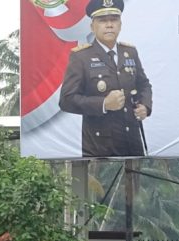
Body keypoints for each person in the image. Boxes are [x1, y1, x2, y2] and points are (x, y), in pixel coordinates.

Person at [58, 0, 152, 158]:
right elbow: (66, 100)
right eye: (103, 21)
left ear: (120, 24)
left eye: (114, 20)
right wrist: (103, 104)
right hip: (99, 148)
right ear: (92, 27)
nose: (109, 25)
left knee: (135, 183)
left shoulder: (130, 52)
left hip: (133, 143)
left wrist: (145, 106)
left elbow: (144, 85)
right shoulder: (81, 57)